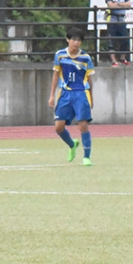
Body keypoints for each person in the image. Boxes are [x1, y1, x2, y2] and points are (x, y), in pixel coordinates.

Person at [48, 27, 94, 166]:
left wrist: (92, 97)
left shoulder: (85, 58)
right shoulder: (60, 55)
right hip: (65, 93)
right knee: (58, 127)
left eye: (79, 40)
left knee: (83, 125)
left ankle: (86, 157)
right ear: (68, 40)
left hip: (81, 92)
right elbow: (56, 75)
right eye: (73, 39)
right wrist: (52, 95)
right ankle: (72, 144)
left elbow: (90, 79)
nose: (76, 43)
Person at [105, 0, 131, 67]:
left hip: (122, 19)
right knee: (112, 40)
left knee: (125, 40)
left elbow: (129, 5)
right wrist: (121, 5)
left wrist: (118, 4)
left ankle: (123, 58)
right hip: (112, 19)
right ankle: (114, 60)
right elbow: (111, 5)